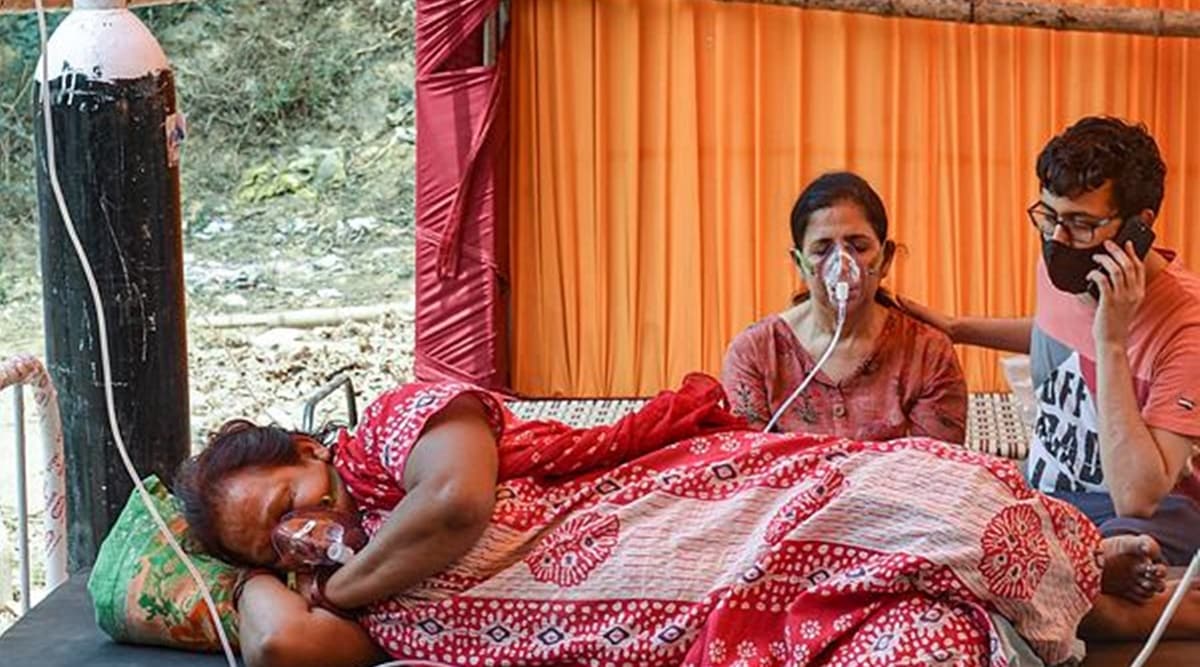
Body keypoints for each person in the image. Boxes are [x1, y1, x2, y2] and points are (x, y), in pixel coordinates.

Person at [177, 376, 1194, 667]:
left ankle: (1088, 566)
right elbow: (282, 647)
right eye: (271, 541)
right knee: (929, 638)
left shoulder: (391, 436)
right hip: (721, 622)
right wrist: (258, 575)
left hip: (725, 510)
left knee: (936, 513)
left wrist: (340, 580)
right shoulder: (358, 593)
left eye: (289, 502)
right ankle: (1089, 586)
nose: (299, 530)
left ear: (310, 448)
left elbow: (458, 504)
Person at [898, 117, 1200, 569]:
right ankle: (1083, 566)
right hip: (1049, 495)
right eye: (1050, 216)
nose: (1058, 239)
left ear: (1139, 225)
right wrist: (957, 329)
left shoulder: (1187, 323)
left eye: (1081, 223)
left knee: (1106, 554)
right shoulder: (1067, 270)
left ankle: (1097, 570)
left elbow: (1138, 497)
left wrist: (1111, 342)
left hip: (1146, 517)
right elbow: (1055, 336)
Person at [721, 171, 968, 442]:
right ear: (799, 264)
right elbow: (750, 460)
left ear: (885, 259)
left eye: (859, 247)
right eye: (821, 250)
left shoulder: (928, 354)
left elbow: (937, 463)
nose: (841, 264)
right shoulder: (755, 353)